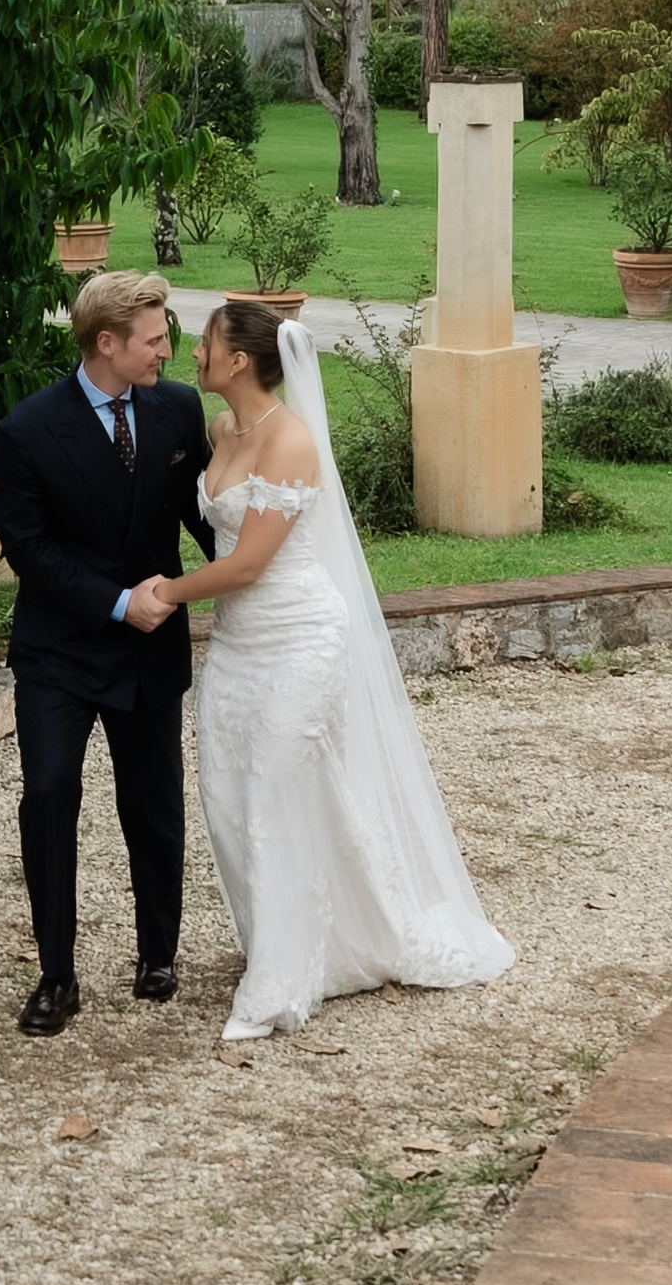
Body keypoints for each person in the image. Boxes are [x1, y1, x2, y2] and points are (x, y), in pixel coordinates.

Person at [151, 295, 514, 1042]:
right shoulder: (220, 429)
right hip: (238, 648)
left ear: (239, 360)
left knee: (277, 794)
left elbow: (247, 565)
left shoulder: (291, 441)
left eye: (206, 342)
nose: (195, 353)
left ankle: (279, 984)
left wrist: (165, 593)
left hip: (299, 637)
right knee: (230, 797)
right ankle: (314, 937)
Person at [0, 269, 215, 1038]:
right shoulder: (25, 432)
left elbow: (203, 516)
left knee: (153, 802)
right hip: (60, 650)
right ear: (106, 343)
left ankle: (158, 955)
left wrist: (254, 572)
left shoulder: (178, 410)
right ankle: (56, 976)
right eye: (153, 340)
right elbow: (31, 551)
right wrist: (121, 602)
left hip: (151, 651)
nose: (166, 351)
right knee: (50, 794)